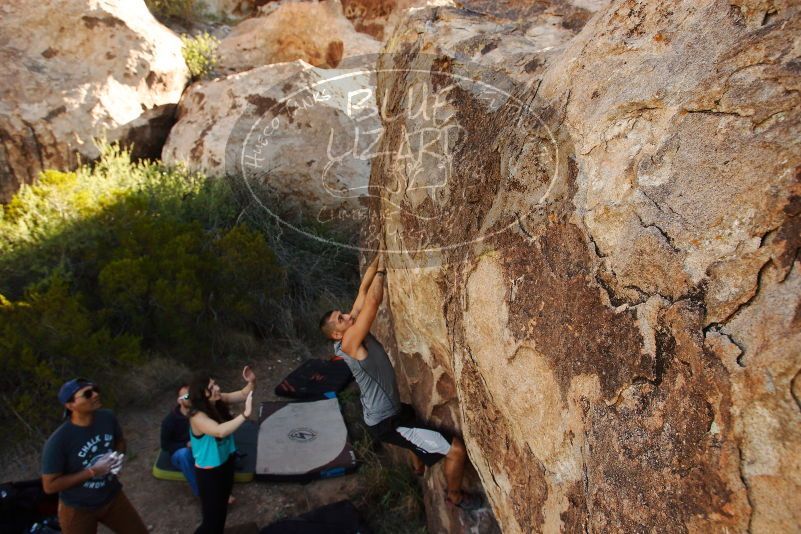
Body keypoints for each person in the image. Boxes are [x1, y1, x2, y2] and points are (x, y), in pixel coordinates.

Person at [319, 254, 481, 510]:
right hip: (387, 422)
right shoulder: (349, 343)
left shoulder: (349, 327)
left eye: (344, 313)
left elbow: (363, 289)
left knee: (410, 417)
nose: (348, 316)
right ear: (337, 334)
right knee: (456, 451)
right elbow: (372, 300)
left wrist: (381, 253)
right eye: (341, 319)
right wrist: (382, 272)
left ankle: (418, 466)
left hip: (388, 412)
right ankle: (454, 497)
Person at [41, 378, 148, 534]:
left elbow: (119, 441)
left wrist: (117, 457)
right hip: (78, 508)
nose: (96, 395)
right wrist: (93, 472)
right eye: (88, 394)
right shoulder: (59, 441)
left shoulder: (107, 417)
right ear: (70, 405)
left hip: (112, 497)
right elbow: (49, 486)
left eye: (96, 390)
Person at [188, 366, 255, 534]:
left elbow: (242, 394)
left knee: (220, 514)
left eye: (215, 384)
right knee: (212, 520)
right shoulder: (197, 416)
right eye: (211, 387)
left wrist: (252, 381)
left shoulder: (217, 401)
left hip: (225, 462)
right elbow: (219, 430)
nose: (217, 388)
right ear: (203, 394)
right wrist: (245, 415)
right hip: (210, 473)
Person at [160, 383, 199, 497]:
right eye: (186, 397)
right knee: (184, 455)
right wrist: (185, 444)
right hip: (182, 452)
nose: (190, 398)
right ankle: (202, 494)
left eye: (192, 395)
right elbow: (165, 445)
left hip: (200, 448)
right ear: (179, 401)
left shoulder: (199, 413)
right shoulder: (169, 421)